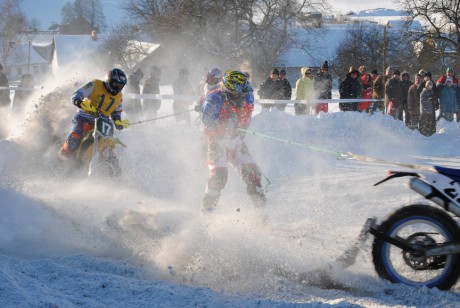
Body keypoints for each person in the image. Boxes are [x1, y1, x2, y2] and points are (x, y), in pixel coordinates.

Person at [200, 70, 266, 213]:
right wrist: (223, 124)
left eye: (245, 90)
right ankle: (206, 212)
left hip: (236, 141)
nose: (243, 94)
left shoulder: (247, 97)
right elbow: (206, 123)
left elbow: (246, 118)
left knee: (253, 175)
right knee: (219, 177)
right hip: (217, 142)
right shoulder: (215, 98)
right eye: (241, 90)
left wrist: (240, 128)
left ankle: (262, 215)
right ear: (231, 88)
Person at [59, 68, 128, 160]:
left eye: (120, 86)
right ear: (109, 80)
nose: (117, 88)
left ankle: (111, 163)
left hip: (103, 123)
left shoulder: (119, 97)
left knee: (109, 142)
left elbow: (116, 111)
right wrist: (78, 102)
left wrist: (117, 121)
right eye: (116, 84)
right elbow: (77, 94)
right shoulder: (95, 84)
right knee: (77, 135)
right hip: (84, 117)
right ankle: (63, 156)